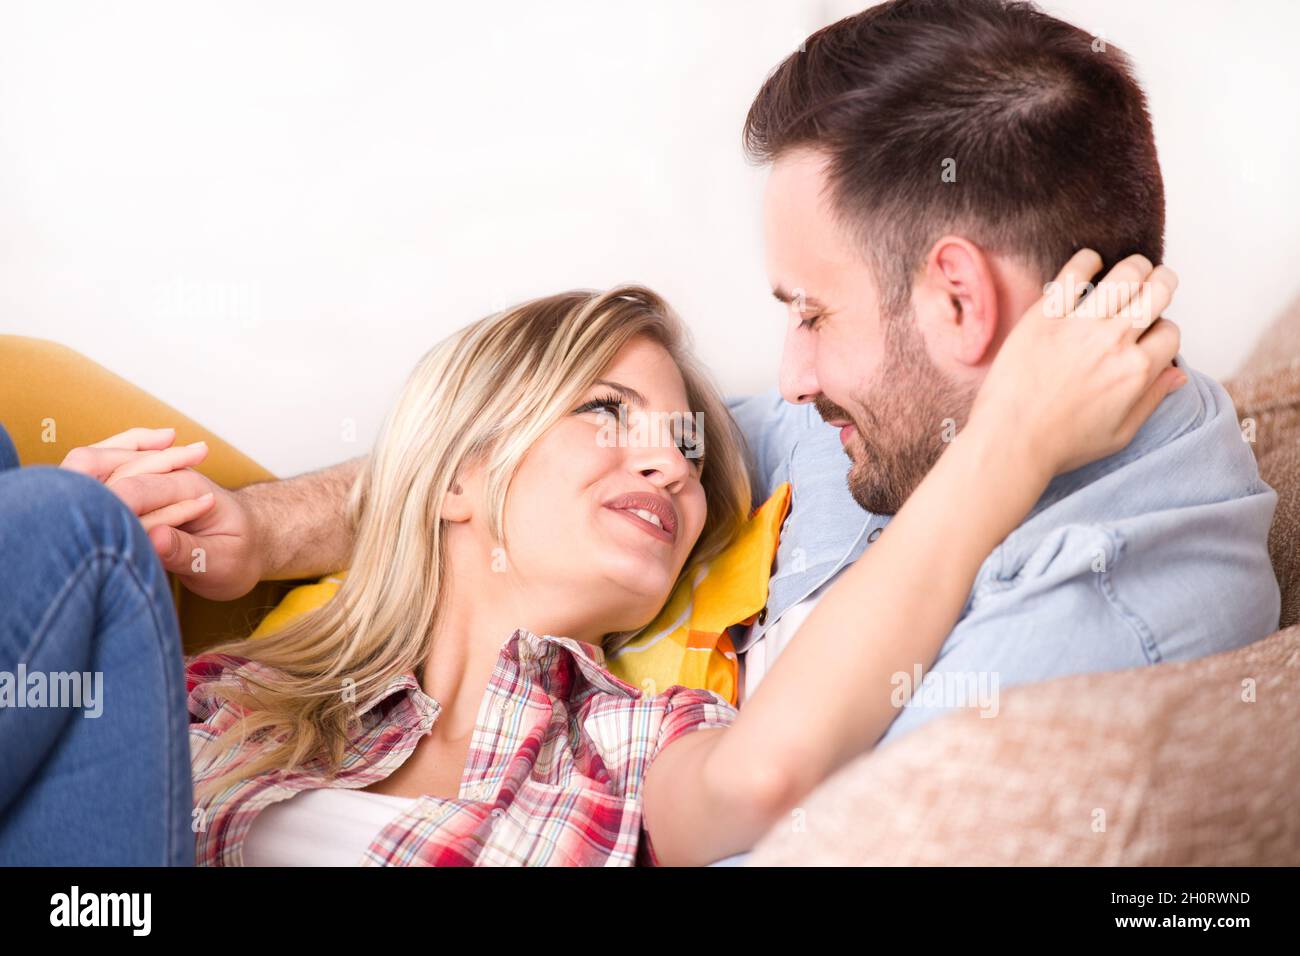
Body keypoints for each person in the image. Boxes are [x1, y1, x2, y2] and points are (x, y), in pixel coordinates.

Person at [4, 257, 1183, 865]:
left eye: (686, 455)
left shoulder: (627, 741)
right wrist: (169, 551)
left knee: (70, 533)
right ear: (459, 477)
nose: (669, 468)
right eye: (606, 412)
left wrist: (1008, 445)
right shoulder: (225, 698)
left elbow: (765, 772)